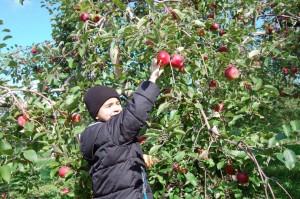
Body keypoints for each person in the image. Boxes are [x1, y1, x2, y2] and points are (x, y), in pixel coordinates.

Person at [79, 58, 164, 199]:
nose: (116, 109)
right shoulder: (111, 131)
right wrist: (152, 78)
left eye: (118, 103)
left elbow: (114, 158)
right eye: (108, 106)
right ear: (96, 115)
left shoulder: (93, 134)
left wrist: (138, 158)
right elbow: (136, 111)